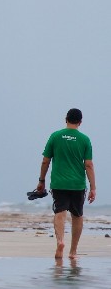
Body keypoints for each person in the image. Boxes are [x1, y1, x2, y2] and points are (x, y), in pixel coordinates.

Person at [36, 108, 95, 259]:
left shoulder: (55, 136)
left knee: (60, 212)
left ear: (66, 119)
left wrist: (41, 180)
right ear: (80, 122)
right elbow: (88, 165)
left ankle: (60, 241)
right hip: (78, 184)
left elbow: (45, 160)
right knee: (77, 215)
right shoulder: (85, 139)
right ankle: (73, 251)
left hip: (59, 182)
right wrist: (93, 187)